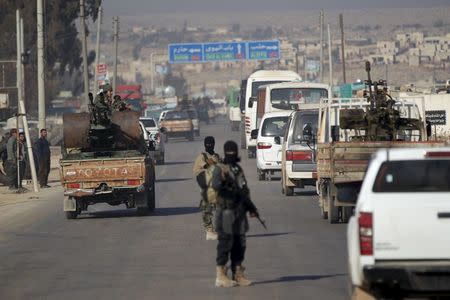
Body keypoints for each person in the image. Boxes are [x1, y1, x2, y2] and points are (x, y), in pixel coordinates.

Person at [211, 140, 259, 287]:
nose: (231, 154)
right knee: (225, 243)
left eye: (233, 152)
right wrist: (227, 185)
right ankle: (221, 275)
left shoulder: (237, 169)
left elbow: (244, 190)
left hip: (239, 212)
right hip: (225, 211)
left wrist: (251, 208)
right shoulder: (220, 169)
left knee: (240, 244)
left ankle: (238, 273)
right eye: (229, 152)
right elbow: (216, 186)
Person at [193, 136, 221, 240]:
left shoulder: (217, 156)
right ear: (204, 145)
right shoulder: (202, 156)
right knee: (207, 208)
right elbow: (206, 166)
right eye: (207, 144)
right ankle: (209, 231)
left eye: (211, 143)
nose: (209, 146)